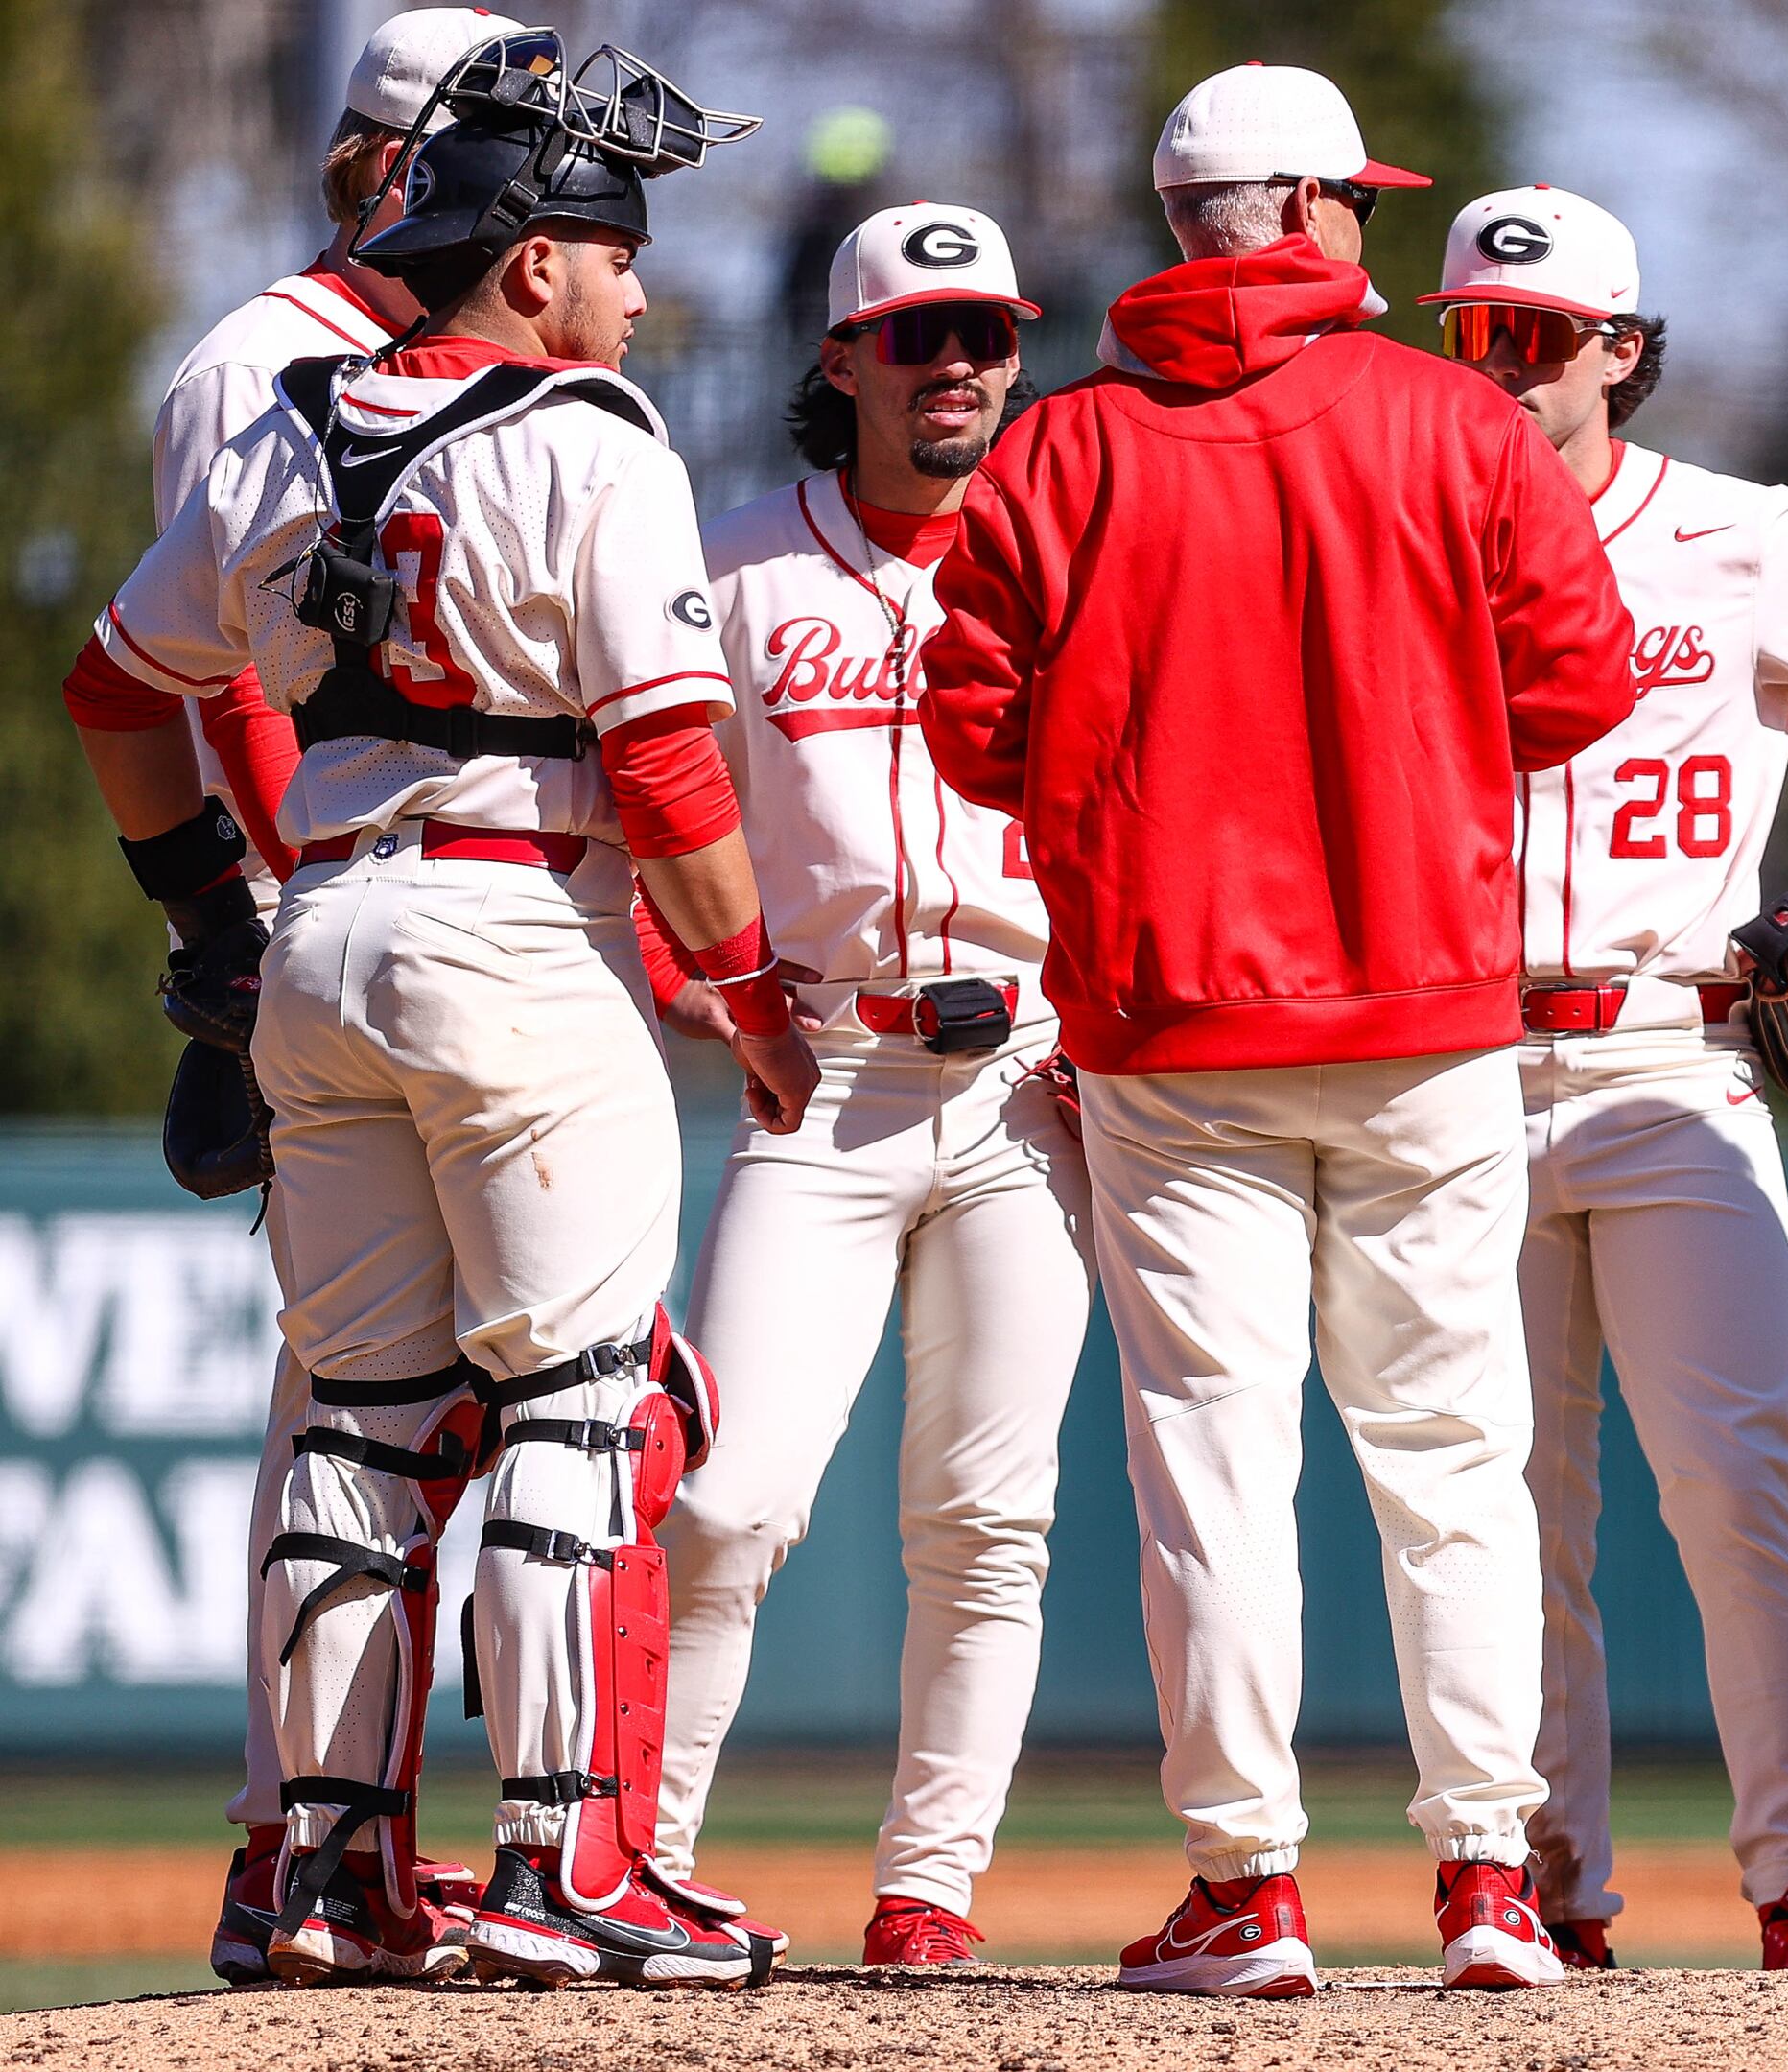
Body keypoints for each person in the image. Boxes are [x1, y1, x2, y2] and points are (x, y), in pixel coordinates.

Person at [61, 32, 811, 1988]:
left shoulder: (287, 424)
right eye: (618, 254)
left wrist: (209, 925)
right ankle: (567, 1873)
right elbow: (666, 769)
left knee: (366, 1424)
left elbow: (114, 687)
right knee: (578, 1399)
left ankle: (323, 1879)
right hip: (506, 925)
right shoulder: (592, 441)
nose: (641, 292)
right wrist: (746, 995)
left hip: (323, 929)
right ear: (537, 258)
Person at [920, 63, 1639, 1997]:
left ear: (1182, 228)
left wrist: (1114, 781)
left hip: (1173, 1029)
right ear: (1307, 213)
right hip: (1425, 1011)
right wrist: (1412, 732)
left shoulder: (1059, 450)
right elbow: (1579, 686)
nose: (1369, 233)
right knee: (1453, 1453)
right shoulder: (1455, 422)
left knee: (1215, 1465)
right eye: (1360, 204)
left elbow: (969, 721)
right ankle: (1492, 1874)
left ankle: (1250, 1883)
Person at [1421, 185, 1788, 1971]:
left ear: (1622, 346)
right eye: (1475, 333)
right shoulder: (1397, 533)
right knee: (1511, 1509)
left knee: (1734, 1485)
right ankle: (1545, 1886)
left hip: (1679, 1054)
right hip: (1452, 1066)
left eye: (1541, 336)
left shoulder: (1740, 533)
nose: (1507, 364)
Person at [641, 202, 1084, 1971]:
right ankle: (637, 1857)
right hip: (817, 1075)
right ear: (845, 360)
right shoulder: (740, 566)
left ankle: (930, 1894)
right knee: (723, 1499)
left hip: (1033, 1077)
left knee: (992, 1514)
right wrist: (707, 997)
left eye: (988, 331)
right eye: (921, 334)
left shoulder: (1076, 553)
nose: (963, 362)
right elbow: (646, 835)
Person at [157, 3, 540, 1989]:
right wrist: (247, 917)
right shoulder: (269, 357)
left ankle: (345, 1853)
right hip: (358, 917)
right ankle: (294, 1848)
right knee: (372, 1410)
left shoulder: (388, 353)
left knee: (433, 1409)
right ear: (410, 160)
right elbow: (197, 664)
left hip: (395, 922)